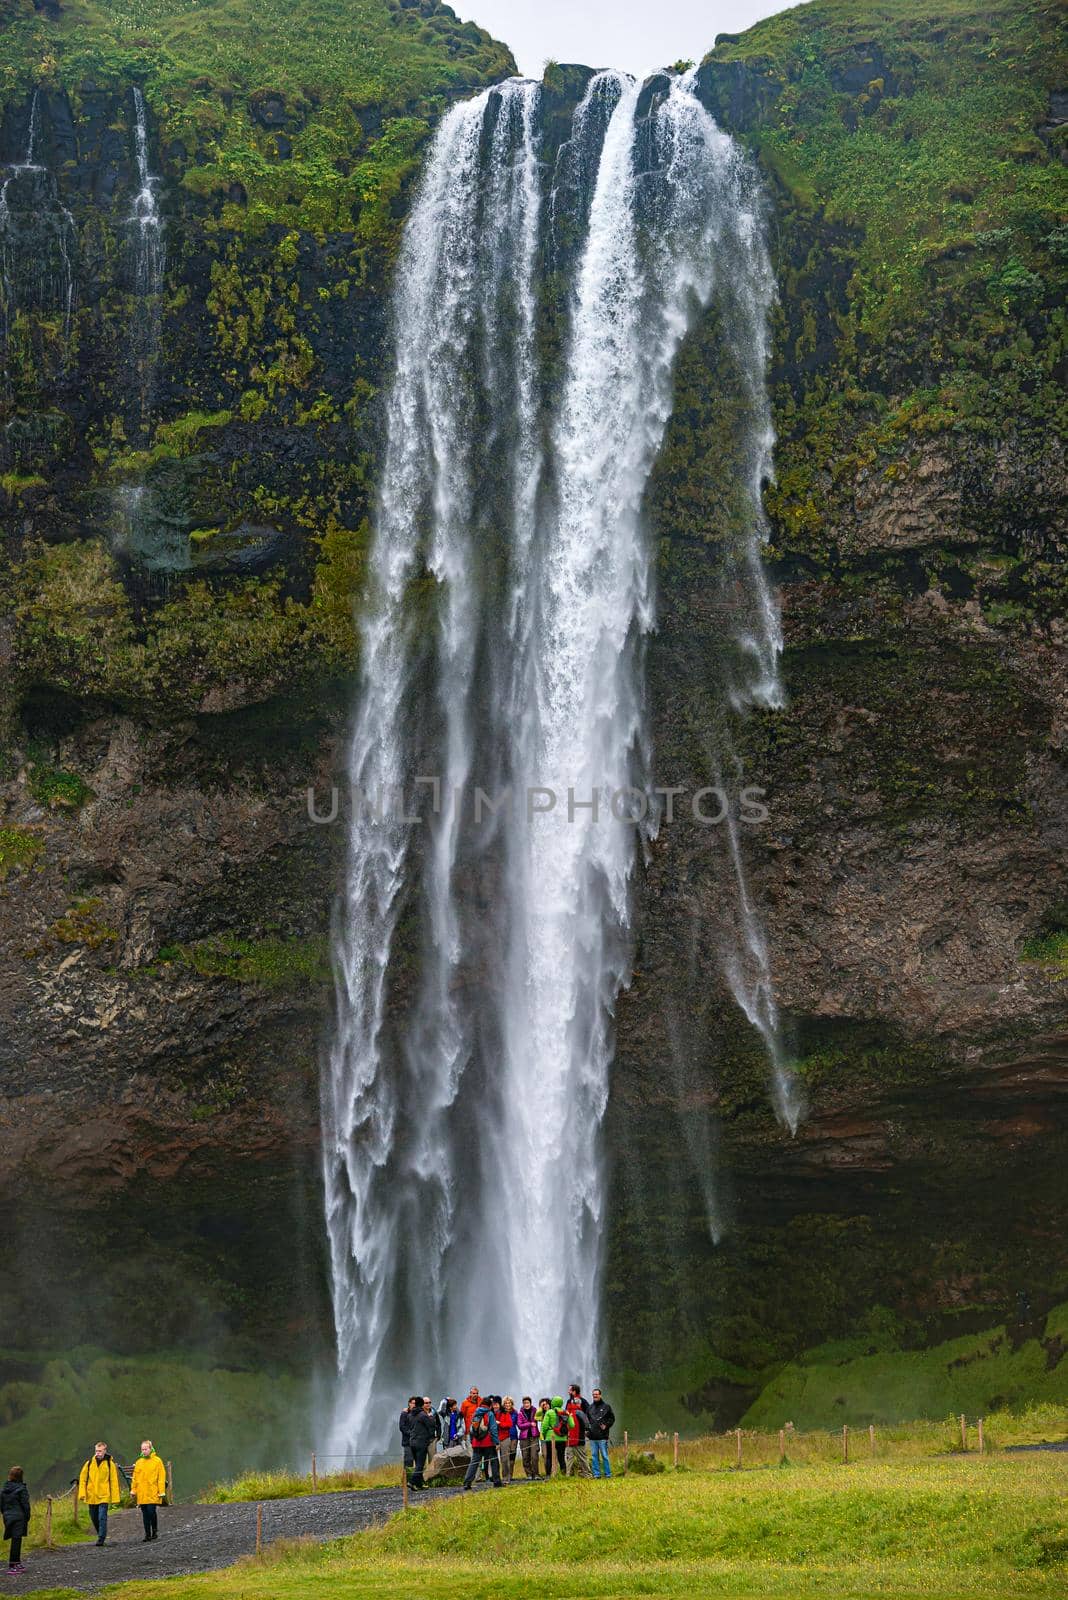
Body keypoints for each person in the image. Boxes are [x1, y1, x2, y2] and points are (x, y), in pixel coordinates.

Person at [78, 1442, 121, 1546]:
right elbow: (83, 1479)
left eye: (100, 1451)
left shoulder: (109, 1464)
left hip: (103, 1495)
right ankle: (100, 1534)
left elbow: (114, 1481)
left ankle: (101, 1538)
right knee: (94, 1517)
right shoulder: (89, 1463)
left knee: (102, 1517)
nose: (98, 1453)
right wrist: (82, 1494)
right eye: (96, 1451)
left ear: (105, 1451)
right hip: (91, 1495)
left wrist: (115, 1498)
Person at [130, 1440, 166, 1540]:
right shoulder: (139, 1462)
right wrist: (133, 1490)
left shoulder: (157, 1461)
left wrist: (161, 1491)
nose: (144, 1451)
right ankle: (147, 1534)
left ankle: (154, 1530)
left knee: (151, 1512)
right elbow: (135, 1478)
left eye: (146, 1449)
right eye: (142, 1449)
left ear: (150, 1449)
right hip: (142, 1492)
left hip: (153, 1491)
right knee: (145, 1514)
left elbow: (161, 1477)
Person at [462, 1399, 502, 1489]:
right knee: (494, 1461)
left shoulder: (475, 1413)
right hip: (488, 1442)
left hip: (477, 1443)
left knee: (474, 1463)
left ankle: (467, 1483)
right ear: (490, 1406)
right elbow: (493, 1429)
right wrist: (496, 1442)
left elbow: (471, 1429)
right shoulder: (490, 1414)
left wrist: (472, 1441)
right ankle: (497, 1482)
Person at [1, 1467, 29, 1577]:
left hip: (8, 1516)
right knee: (16, 1540)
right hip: (19, 1517)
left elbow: (2, 1505)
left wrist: (5, 1514)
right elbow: (25, 1505)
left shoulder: (4, 1488)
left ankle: (17, 1562)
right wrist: (27, 1516)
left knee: (14, 1539)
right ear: (21, 1476)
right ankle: (13, 1565)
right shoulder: (22, 1489)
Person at [408, 1400, 439, 1490]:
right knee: (420, 1464)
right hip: (421, 1442)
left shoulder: (411, 1414)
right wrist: (430, 1417)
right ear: (422, 1405)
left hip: (412, 1441)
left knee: (418, 1463)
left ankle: (419, 1484)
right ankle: (412, 1481)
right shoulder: (423, 1415)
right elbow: (432, 1424)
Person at [587, 1388, 616, 1479]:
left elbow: (612, 1418)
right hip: (592, 1437)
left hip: (602, 1436)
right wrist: (586, 1430)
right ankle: (596, 1475)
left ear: (600, 1395)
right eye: (593, 1394)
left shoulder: (606, 1406)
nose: (595, 1396)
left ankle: (608, 1474)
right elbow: (587, 1420)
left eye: (596, 1394)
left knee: (604, 1456)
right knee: (594, 1456)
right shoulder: (590, 1407)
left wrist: (606, 1425)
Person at [565, 1393, 591, 1476]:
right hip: (579, 1439)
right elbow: (587, 1425)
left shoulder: (568, 1413)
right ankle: (587, 1474)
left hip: (569, 1439)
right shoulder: (581, 1413)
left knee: (569, 1458)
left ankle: (568, 1474)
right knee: (582, 1457)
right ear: (579, 1404)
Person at [516, 1396, 540, 1479]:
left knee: (534, 1457)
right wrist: (530, 1424)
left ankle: (536, 1474)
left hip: (534, 1437)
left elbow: (541, 1417)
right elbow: (519, 1425)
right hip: (524, 1438)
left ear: (530, 1403)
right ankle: (529, 1474)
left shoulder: (536, 1411)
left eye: (527, 1403)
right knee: (525, 1457)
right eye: (524, 1403)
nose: (526, 1404)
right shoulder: (520, 1413)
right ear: (523, 1404)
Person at [498, 1396, 518, 1482]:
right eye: (506, 1403)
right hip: (503, 1436)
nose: (507, 1405)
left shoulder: (515, 1413)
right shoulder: (501, 1413)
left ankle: (510, 1475)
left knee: (512, 1456)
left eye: (509, 1403)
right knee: (504, 1457)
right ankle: (505, 1476)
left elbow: (519, 1424)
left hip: (513, 1436)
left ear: (512, 1404)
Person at [399, 1397, 420, 1472]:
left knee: (418, 1462)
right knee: (408, 1460)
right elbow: (402, 1427)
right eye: (413, 1403)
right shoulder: (404, 1414)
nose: (414, 1405)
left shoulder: (418, 1414)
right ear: (409, 1403)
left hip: (417, 1442)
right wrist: (411, 1434)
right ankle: (406, 1479)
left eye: (416, 1404)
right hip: (408, 1442)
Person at [536, 1399, 554, 1477]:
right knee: (545, 1455)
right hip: (543, 1437)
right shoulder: (542, 1414)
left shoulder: (553, 1412)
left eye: (546, 1404)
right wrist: (541, 1407)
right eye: (543, 1405)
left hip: (552, 1437)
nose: (545, 1406)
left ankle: (554, 1472)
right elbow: (536, 1417)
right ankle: (548, 1473)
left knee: (553, 1455)